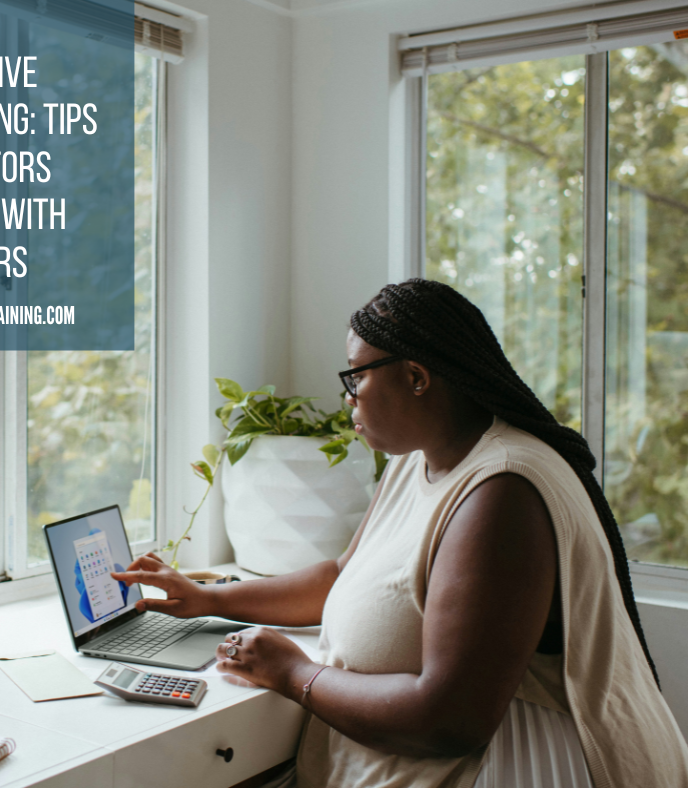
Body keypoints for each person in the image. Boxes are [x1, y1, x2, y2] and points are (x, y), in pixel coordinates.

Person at [111, 279, 688, 788]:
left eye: (354, 377)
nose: (348, 397)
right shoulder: (422, 458)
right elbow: (343, 574)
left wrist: (293, 672)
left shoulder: (501, 493)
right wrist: (210, 597)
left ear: (415, 377)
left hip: (519, 766)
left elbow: (448, 719)